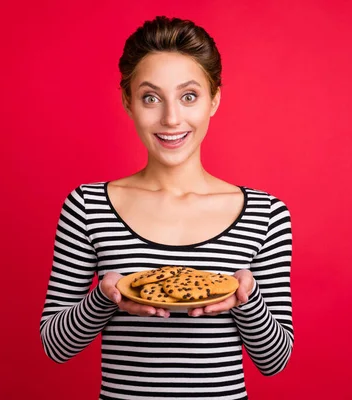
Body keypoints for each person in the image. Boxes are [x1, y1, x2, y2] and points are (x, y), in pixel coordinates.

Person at [39, 16, 293, 400]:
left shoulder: (265, 213)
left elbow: (275, 360)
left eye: (189, 96)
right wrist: (105, 298)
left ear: (215, 99)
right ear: (128, 102)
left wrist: (246, 296)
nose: (171, 118)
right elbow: (55, 346)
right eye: (151, 97)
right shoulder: (87, 205)